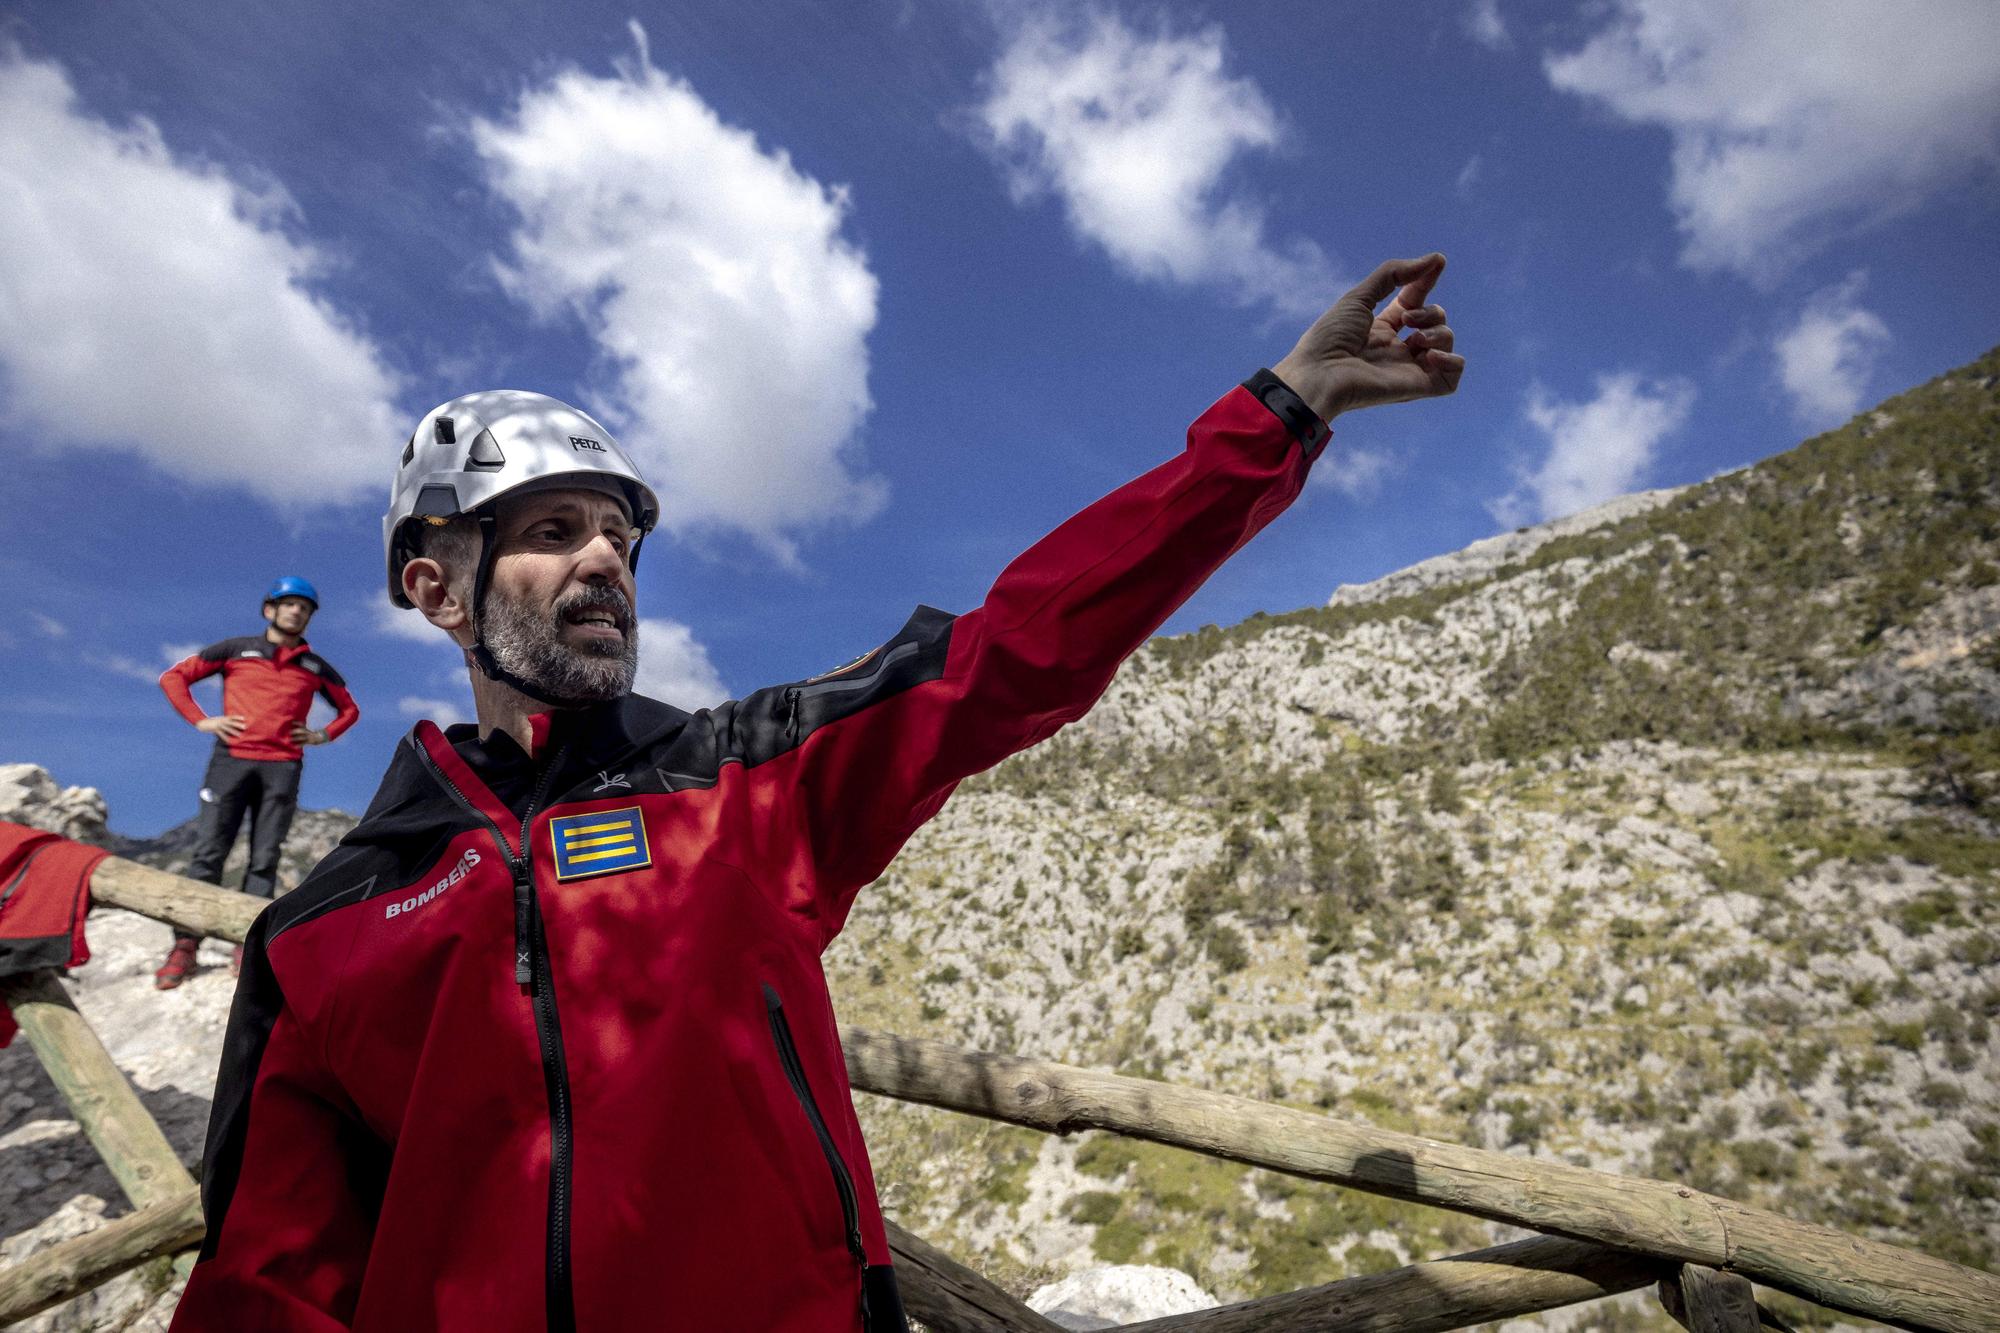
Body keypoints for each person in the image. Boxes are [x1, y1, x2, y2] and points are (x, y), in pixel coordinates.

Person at [173, 255, 1463, 1331]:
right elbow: (266, 1279)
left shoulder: (750, 780)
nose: (607, 557)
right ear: (438, 589)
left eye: (619, 532)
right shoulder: (319, 931)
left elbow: (1025, 641)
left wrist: (1283, 408)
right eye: (554, 529)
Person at [154, 577, 360, 987]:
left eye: (305, 607)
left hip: (282, 767)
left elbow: (349, 709)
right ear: (270, 609)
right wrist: (202, 719)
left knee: (265, 858)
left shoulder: (315, 667)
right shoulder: (234, 649)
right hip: (230, 760)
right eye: (289, 604)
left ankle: (245, 945)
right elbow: (173, 678)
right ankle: (185, 945)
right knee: (209, 851)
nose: (297, 611)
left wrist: (323, 734)